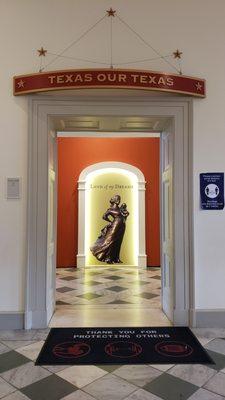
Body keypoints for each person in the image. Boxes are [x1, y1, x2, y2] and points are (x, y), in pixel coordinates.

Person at [90, 195, 129, 264]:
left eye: (119, 199)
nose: (119, 200)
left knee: (118, 242)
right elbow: (104, 217)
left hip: (122, 226)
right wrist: (110, 221)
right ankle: (107, 258)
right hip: (115, 226)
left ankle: (116, 258)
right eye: (117, 199)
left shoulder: (120, 209)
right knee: (110, 241)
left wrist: (125, 212)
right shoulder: (110, 209)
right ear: (114, 200)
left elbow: (124, 215)